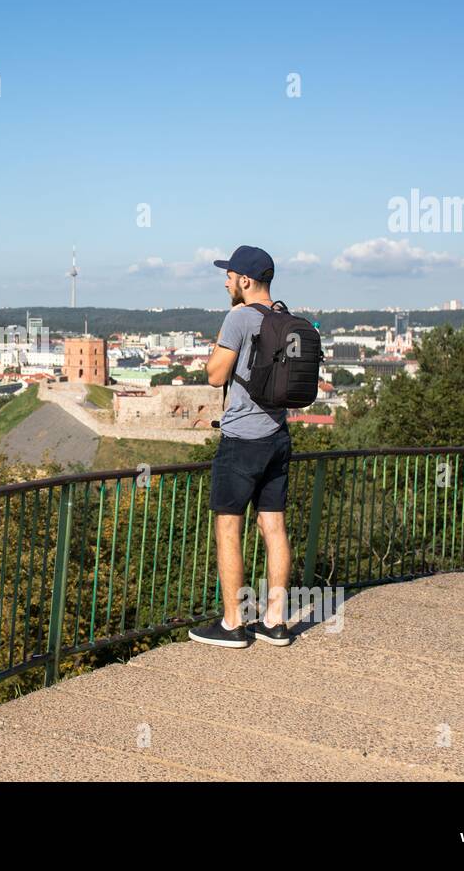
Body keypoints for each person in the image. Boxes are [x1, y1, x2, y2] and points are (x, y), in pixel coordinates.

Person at [188, 245, 294, 648]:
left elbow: (216, 376)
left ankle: (234, 623)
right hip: (278, 436)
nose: (226, 281)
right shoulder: (284, 318)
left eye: (230, 275)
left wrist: (212, 358)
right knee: (274, 527)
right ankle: (276, 621)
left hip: (242, 439)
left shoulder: (239, 317)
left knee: (228, 527)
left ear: (245, 280)